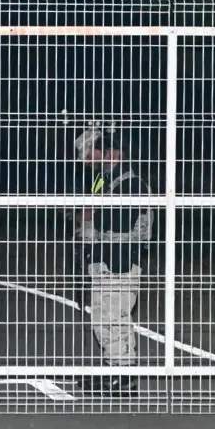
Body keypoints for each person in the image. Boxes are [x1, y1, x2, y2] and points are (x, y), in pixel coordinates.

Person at [73, 126, 155, 396]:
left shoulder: (130, 182)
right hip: (102, 259)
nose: (86, 157)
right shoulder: (106, 180)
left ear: (110, 152)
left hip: (119, 260)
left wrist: (91, 215)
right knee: (101, 318)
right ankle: (112, 370)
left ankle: (123, 375)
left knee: (115, 318)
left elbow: (119, 221)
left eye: (91, 151)